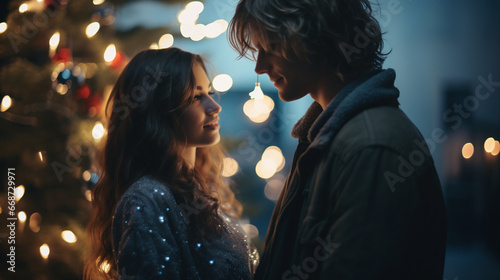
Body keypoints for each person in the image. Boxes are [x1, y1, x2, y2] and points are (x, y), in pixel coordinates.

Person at [229, 0, 446, 279]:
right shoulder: (325, 135)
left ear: (313, 38)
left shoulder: (371, 147)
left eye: (269, 47)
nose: (259, 66)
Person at [84, 48, 258, 280]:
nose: (215, 107)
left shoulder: (199, 187)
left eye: (210, 92)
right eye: (196, 97)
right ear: (158, 111)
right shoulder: (145, 200)